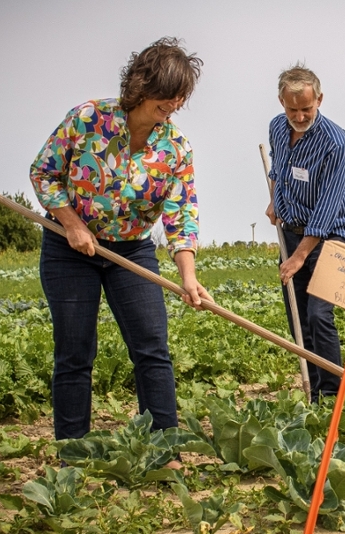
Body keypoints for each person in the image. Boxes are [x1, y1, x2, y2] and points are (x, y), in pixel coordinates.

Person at [29, 37, 212, 451]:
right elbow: (43, 172)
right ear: (142, 85)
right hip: (69, 248)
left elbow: (181, 214)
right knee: (75, 352)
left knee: (152, 347)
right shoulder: (88, 118)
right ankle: (73, 456)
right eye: (167, 94)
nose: (174, 103)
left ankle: (164, 450)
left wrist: (188, 276)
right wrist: (72, 224)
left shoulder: (175, 148)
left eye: (181, 95)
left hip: (131, 250)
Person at [265, 64, 345, 402]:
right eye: (292, 109)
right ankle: (315, 392)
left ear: (319, 99)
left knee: (319, 314)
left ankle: (332, 395)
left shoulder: (336, 142)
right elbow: (277, 168)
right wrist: (274, 199)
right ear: (281, 102)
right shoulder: (277, 127)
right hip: (290, 231)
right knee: (298, 317)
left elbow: (328, 206)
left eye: (307, 109)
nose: (300, 116)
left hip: (331, 235)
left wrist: (301, 256)